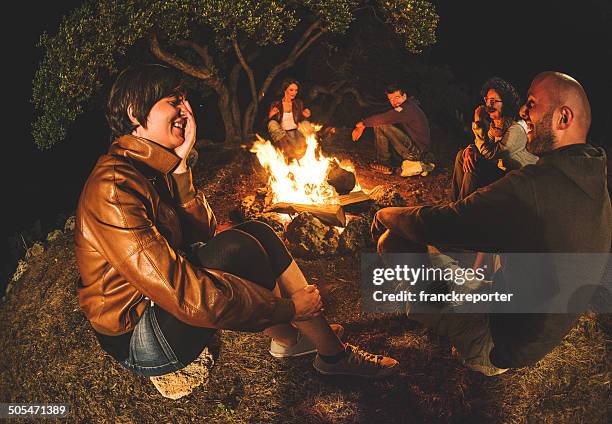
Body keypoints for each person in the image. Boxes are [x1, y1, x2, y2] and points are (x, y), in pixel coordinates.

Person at [74, 64, 399, 381]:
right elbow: (182, 292)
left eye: (184, 100)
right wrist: (287, 308)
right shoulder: (115, 187)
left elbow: (200, 234)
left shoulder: (150, 169)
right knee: (239, 248)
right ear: (134, 113)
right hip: (140, 336)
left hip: (160, 306)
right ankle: (331, 353)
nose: (185, 111)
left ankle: (292, 342)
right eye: (173, 102)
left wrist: (182, 167)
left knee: (260, 230)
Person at [371, 72, 611, 376]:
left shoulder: (536, 186)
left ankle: (452, 330)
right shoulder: (590, 175)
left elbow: (445, 224)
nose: (523, 112)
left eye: (532, 104)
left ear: (563, 117)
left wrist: (385, 214)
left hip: (499, 341)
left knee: (392, 240)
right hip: (533, 328)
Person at [452, 77, 538, 201]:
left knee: (475, 162)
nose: (489, 105)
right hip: (503, 176)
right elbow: (484, 147)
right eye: (487, 100)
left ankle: (461, 212)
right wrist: (471, 149)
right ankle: (454, 204)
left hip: (518, 182)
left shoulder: (516, 129)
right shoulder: (495, 125)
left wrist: (478, 122)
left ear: (506, 103)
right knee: (463, 155)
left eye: (494, 101)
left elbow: (490, 154)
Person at [352, 83, 433, 175]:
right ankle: (387, 162)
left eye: (397, 97)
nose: (394, 102)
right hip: (416, 149)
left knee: (381, 124)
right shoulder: (409, 105)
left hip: (417, 153)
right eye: (391, 99)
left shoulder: (407, 109)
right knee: (383, 123)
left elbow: (385, 118)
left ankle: (383, 163)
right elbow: (388, 116)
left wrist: (363, 124)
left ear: (404, 96)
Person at [267, 79, 314, 161]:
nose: (294, 92)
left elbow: (301, 119)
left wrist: (306, 115)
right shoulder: (276, 104)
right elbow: (270, 123)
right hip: (283, 135)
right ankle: (286, 151)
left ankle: (312, 147)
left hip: (297, 133)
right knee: (272, 123)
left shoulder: (298, 103)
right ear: (285, 90)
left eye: (296, 90)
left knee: (306, 123)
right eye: (291, 90)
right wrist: (270, 115)